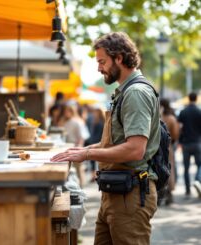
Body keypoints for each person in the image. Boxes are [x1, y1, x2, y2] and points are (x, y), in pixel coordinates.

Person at [51, 32, 160, 244]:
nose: (99, 68)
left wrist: (88, 153)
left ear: (119, 58)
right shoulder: (125, 91)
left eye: (102, 61)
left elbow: (135, 149)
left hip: (130, 195)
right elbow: (114, 143)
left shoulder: (135, 93)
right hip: (116, 192)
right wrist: (80, 151)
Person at [178, 92, 201, 197]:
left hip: (186, 143)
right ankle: (197, 180)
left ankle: (187, 189)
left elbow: (179, 128)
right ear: (196, 99)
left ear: (188, 99)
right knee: (199, 165)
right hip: (197, 142)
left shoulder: (183, 112)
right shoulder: (199, 111)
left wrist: (179, 141)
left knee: (186, 168)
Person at [160, 98, 179, 204]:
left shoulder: (158, 117)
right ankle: (169, 193)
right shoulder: (171, 118)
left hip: (156, 146)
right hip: (168, 146)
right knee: (169, 168)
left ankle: (160, 192)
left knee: (158, 167)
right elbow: (175, 134)